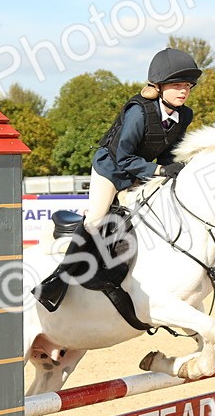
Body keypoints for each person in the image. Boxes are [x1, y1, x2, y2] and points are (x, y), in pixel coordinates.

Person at [33, 47, 203, 311]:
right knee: (96, 220)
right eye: (178, 85)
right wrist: (159, 171)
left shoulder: (184, 114)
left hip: (141, 171)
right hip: (111, 169)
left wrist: (176, 169)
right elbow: (123, 158)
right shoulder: (139, 111)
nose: (184, 91)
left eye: (188, 86)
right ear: (158, 87)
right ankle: (57, 280)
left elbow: (169, 152)